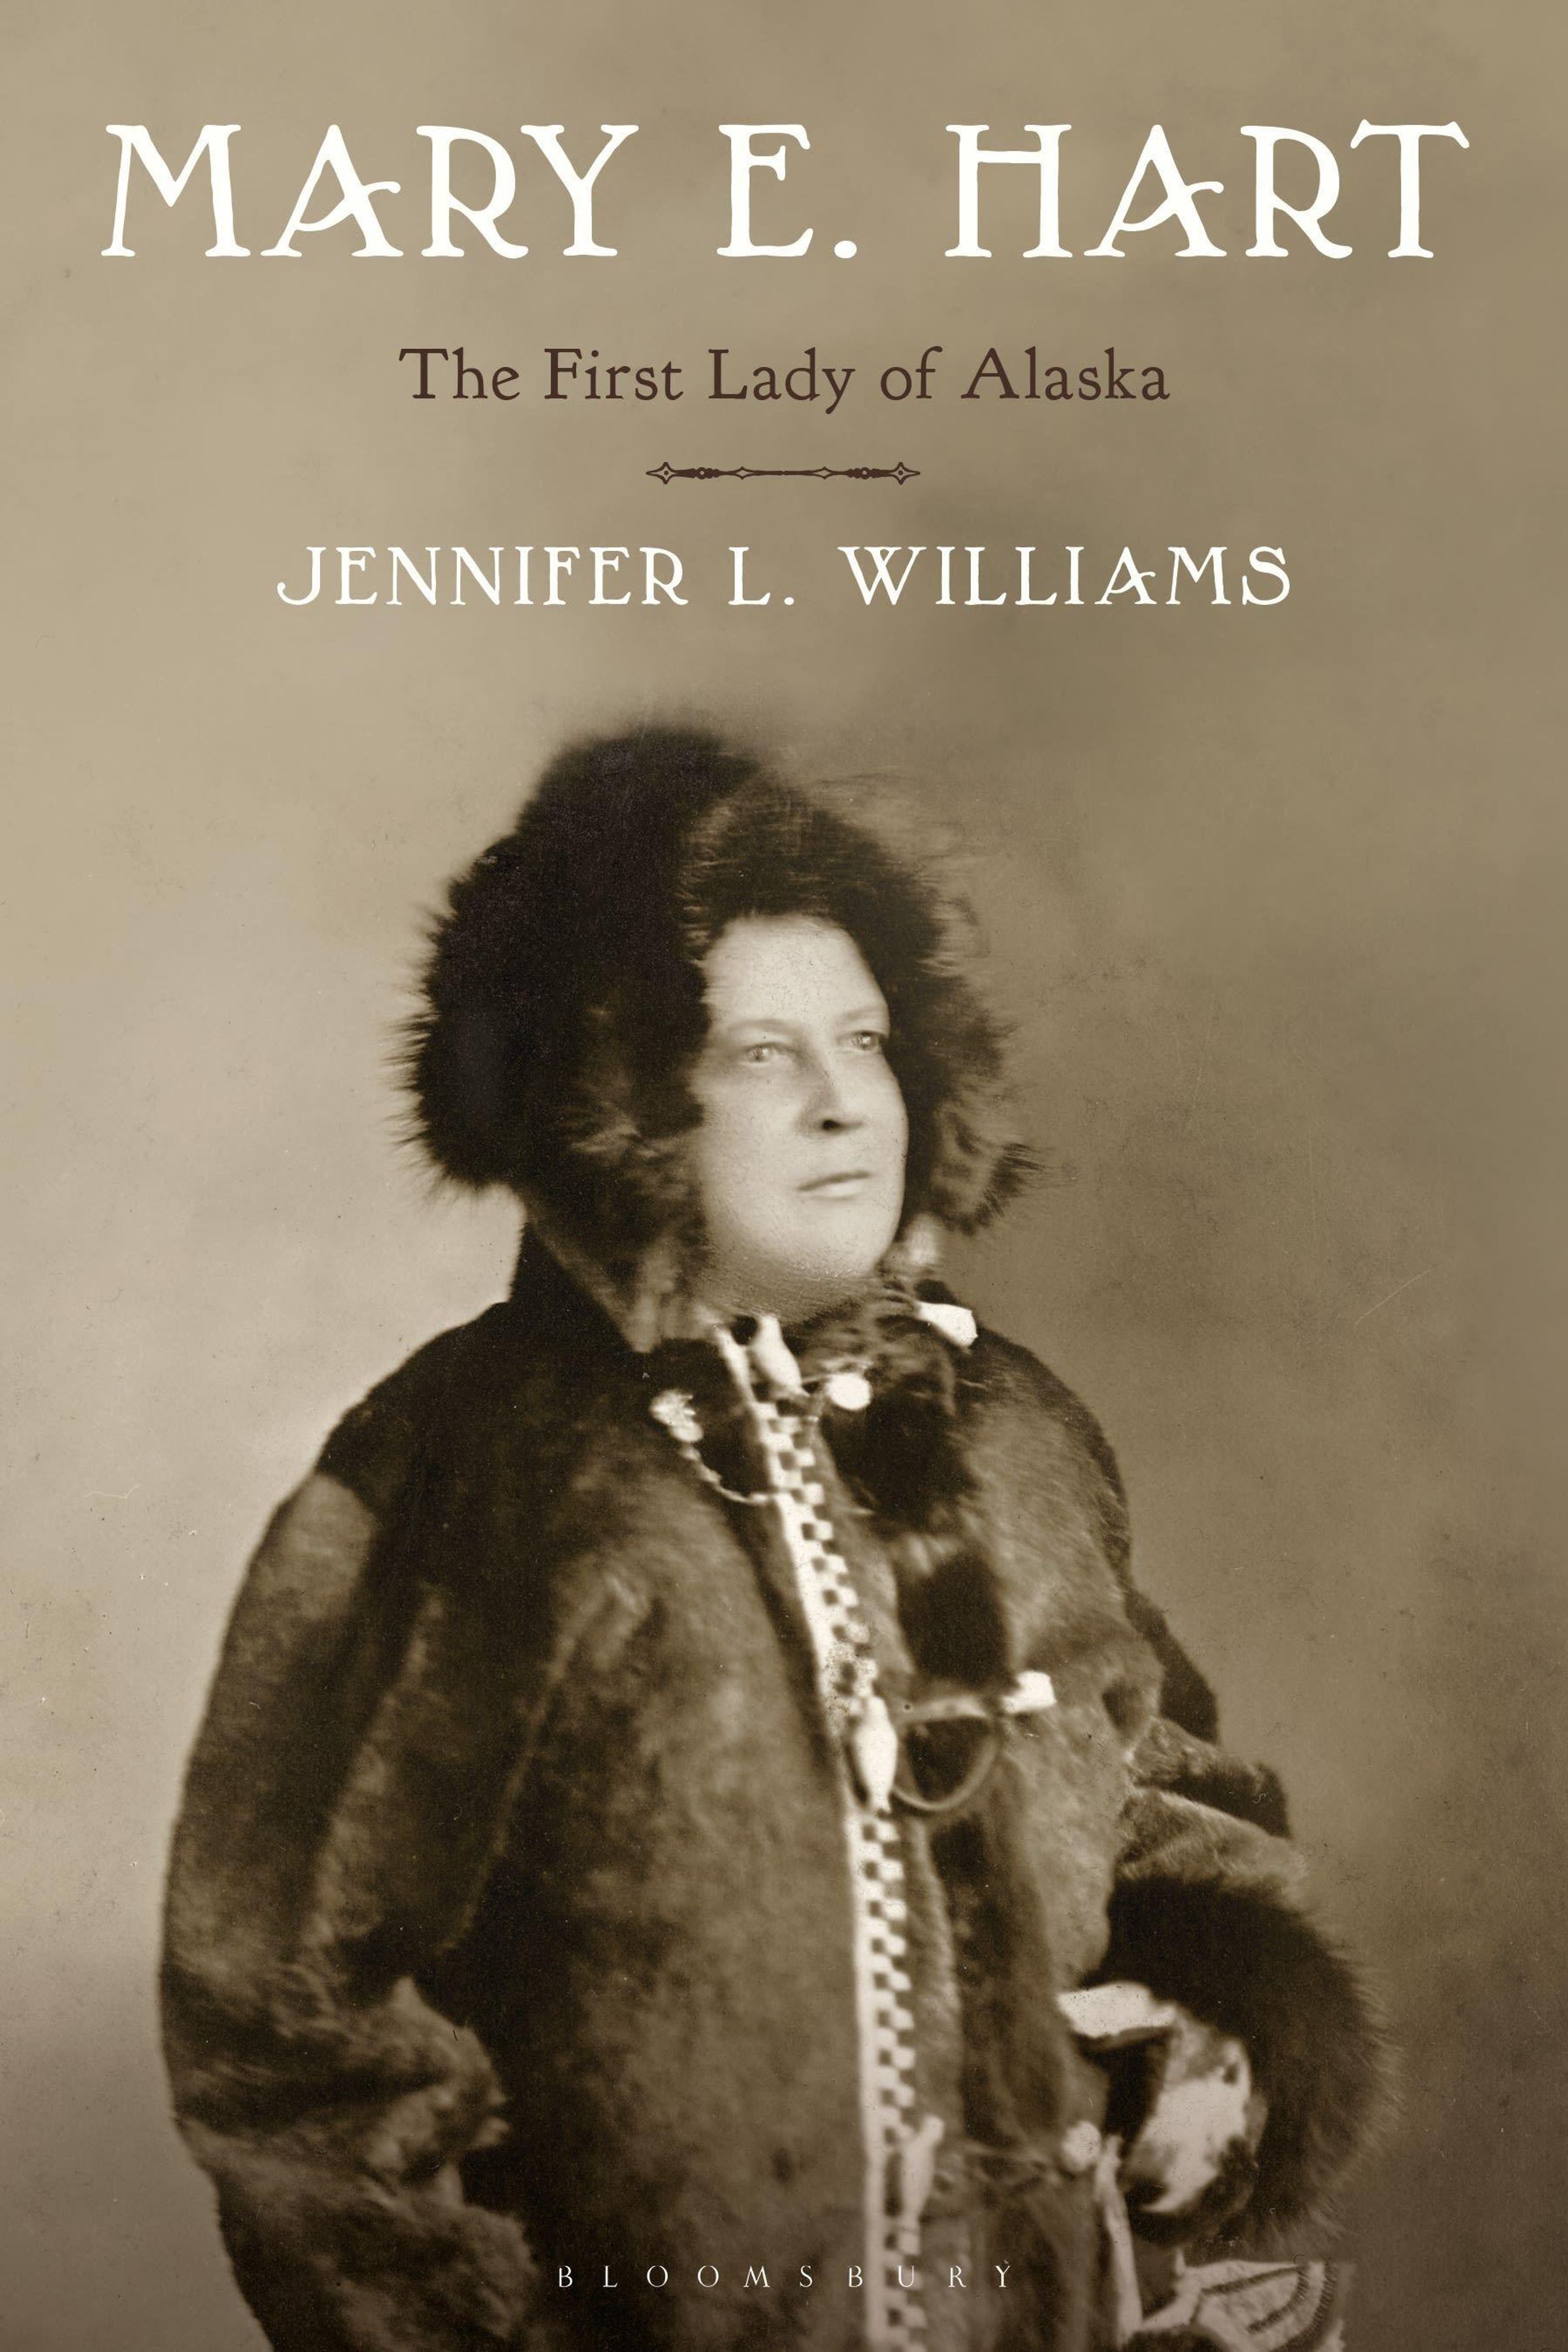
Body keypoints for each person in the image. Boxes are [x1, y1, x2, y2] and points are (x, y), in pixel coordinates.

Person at [161, 728, 1384, 2352]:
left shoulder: (1017, 1435)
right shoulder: (471, 1465)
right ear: (614, 1101)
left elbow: (1154, 1788)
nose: (839, 1103)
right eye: (758, 1053)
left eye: (865, 1040)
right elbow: (286, 2028)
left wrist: (1210, 2022)